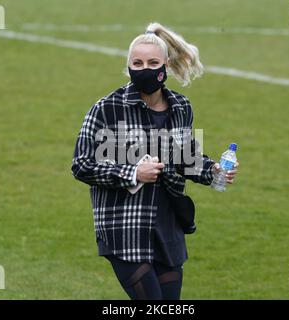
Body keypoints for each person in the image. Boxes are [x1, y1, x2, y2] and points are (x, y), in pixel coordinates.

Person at [71, 22, 239, 300]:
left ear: (166, 67)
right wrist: (133, 173)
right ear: (128, 67)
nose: (144, 68)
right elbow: (82, 164)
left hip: (167, 228)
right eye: (137, 62)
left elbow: (185, 159)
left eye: (152, 62)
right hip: (125, 227)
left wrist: (213, 170)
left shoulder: (181, 107)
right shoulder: (107, 108)